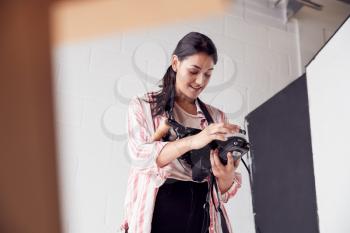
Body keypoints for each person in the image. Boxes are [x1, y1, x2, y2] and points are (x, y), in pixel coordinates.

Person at [120, 32, 242, 233]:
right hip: (158, 213)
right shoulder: (143, 106)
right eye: (194, 71)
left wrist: (226, 178)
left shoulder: (217, 118)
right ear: (175, 63)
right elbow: (139, 155)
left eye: (208, 74)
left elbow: (223, 193)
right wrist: (193, 141)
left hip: (202, 217)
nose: (200, 81)